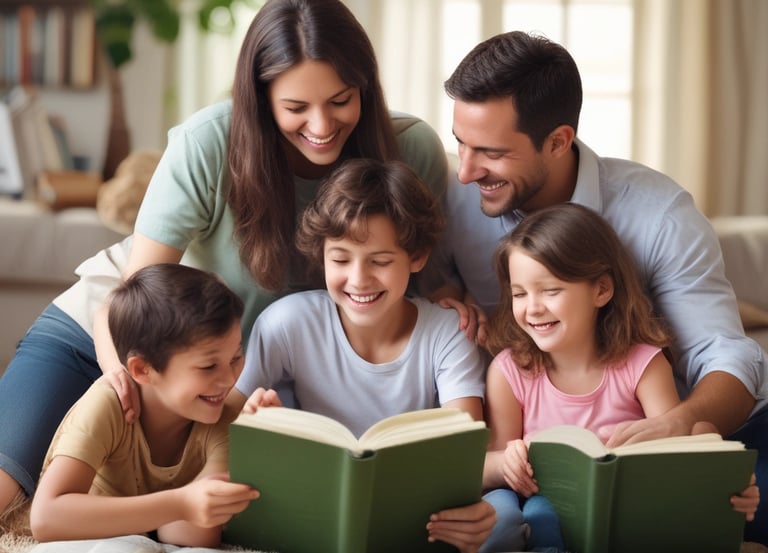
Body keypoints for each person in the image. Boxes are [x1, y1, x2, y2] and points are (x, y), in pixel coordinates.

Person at [0, 0, 451, 524]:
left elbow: (423, 281)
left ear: (365, 89)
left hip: (216, 377)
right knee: (7, 491)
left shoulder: (411, 151)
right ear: (259, 99)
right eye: (296, 107)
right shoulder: (209, 141)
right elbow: (132, 291)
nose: (322, 125)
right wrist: (123, 374)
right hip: (111, 332)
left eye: (340, 100)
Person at [426, 30, 768, 544]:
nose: (467, 171)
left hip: (685, 436)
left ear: (559, 141)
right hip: (546, 457)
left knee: (731, 511)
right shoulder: (458, 203)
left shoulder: (658, 215)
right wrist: (444, 297)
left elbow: (726, 354)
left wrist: (681, 428)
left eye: (491, 152)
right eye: (460, 143)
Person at [226, 158, 494, 553]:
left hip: (413, 518)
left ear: (416, 257)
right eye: (340, 259)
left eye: (380, 262)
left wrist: (474, 513)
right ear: (321, 255)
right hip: (305, 506)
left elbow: (462, 458)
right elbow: (223, 421)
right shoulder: (287, 323)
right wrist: (251, 422)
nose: (358, 279)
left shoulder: (448, 334)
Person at [478, 203, 758, 552]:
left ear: (601, 290)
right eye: (520, 294)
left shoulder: (643, 363)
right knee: (539, 518)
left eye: (550, 290)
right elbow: (489, 464)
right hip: (547, 511)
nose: (532, 307)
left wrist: (725, 481)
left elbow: (681, 448)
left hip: (631, 513)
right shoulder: (509, 371)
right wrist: (509, 462)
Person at [29, 263, 258, 546]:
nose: (228, 379)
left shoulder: (219, 413)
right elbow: (45, 519)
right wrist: (180, 503)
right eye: (209, 366)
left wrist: (250, 451)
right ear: (142, 370)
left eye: (236, 358)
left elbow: (185, 536)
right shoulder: (108, 404)